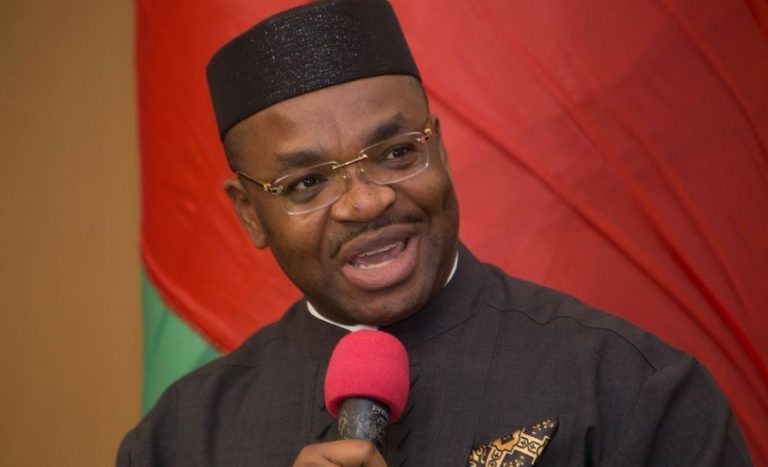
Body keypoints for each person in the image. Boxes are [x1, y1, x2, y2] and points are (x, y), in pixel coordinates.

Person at [118, 0, 752, 465]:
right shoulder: (181, 439)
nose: (366, 202)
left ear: (439, 150)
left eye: (396, 153)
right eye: (307, 183)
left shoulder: (631, 388)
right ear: (251, 215)